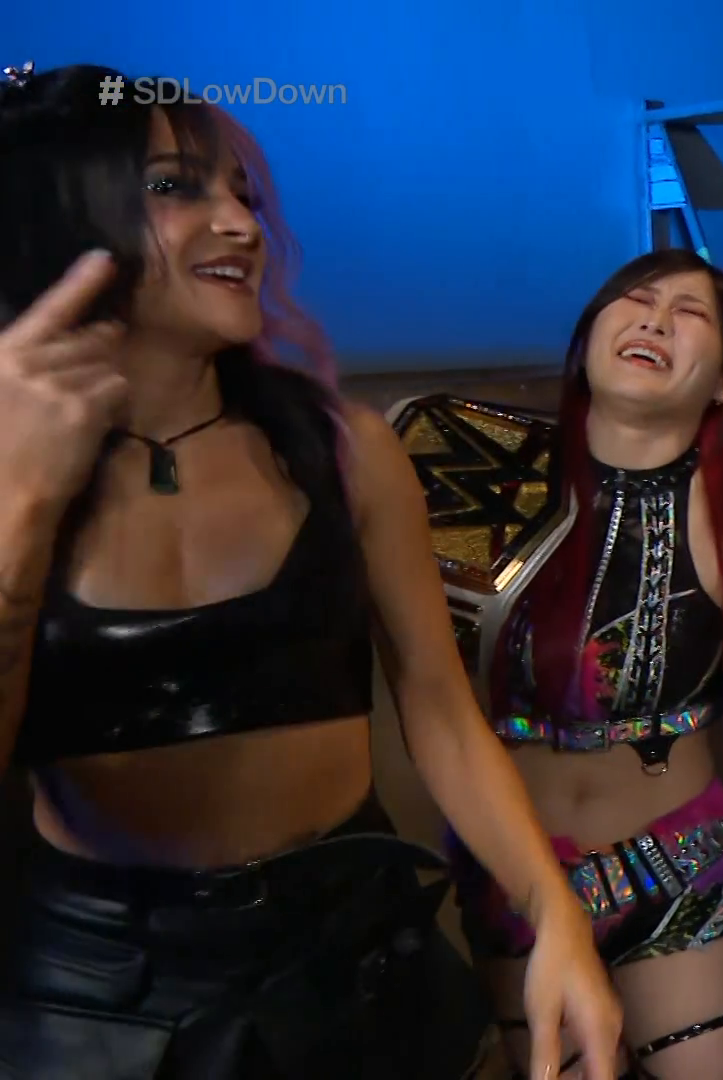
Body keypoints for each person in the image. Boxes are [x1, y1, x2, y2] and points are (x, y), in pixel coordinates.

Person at [0, 63, 623, 1080]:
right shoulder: (8, 473)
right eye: (176, 187)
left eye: (241, 194)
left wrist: (553, 911)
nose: (239, 225)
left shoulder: (343, 451)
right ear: (57, 214)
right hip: (99, 1000)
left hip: (358, 964)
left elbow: (439, 707)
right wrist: (21, 504)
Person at [445, 248, 723, 1080]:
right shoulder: (488, 477)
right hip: (518, 875)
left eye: (688, 313)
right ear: (588, 337)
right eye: (635, 300)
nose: (656, 320)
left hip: (680, 870)